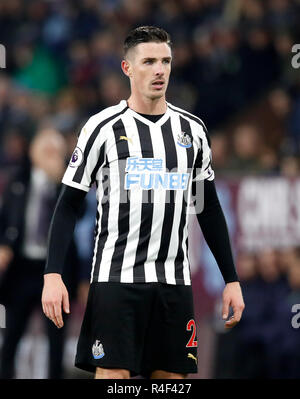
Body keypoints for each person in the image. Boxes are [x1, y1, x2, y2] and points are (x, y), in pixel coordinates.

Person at [42, 26, 245, 379]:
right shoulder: (101, 128)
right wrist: (53, 273)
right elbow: (69, 204)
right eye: (149, 61)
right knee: (115, 380)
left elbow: (208, 207)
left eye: (165, 61)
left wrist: (231, 278)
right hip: (115, 281)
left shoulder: (192, 130)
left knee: (170, 382)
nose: (159, 70)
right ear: (127, 68)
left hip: (174, 284)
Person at [0, 128, 80, 378]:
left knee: (56, 341)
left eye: (54, 151)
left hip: (56, 270)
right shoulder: (19, 180)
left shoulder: (69, 183)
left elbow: (82, 215)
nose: (48, 156)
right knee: (12, 335)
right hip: (22, 268)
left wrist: (60, 180)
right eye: (44, 150)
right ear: (33, 152)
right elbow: (6, 220)